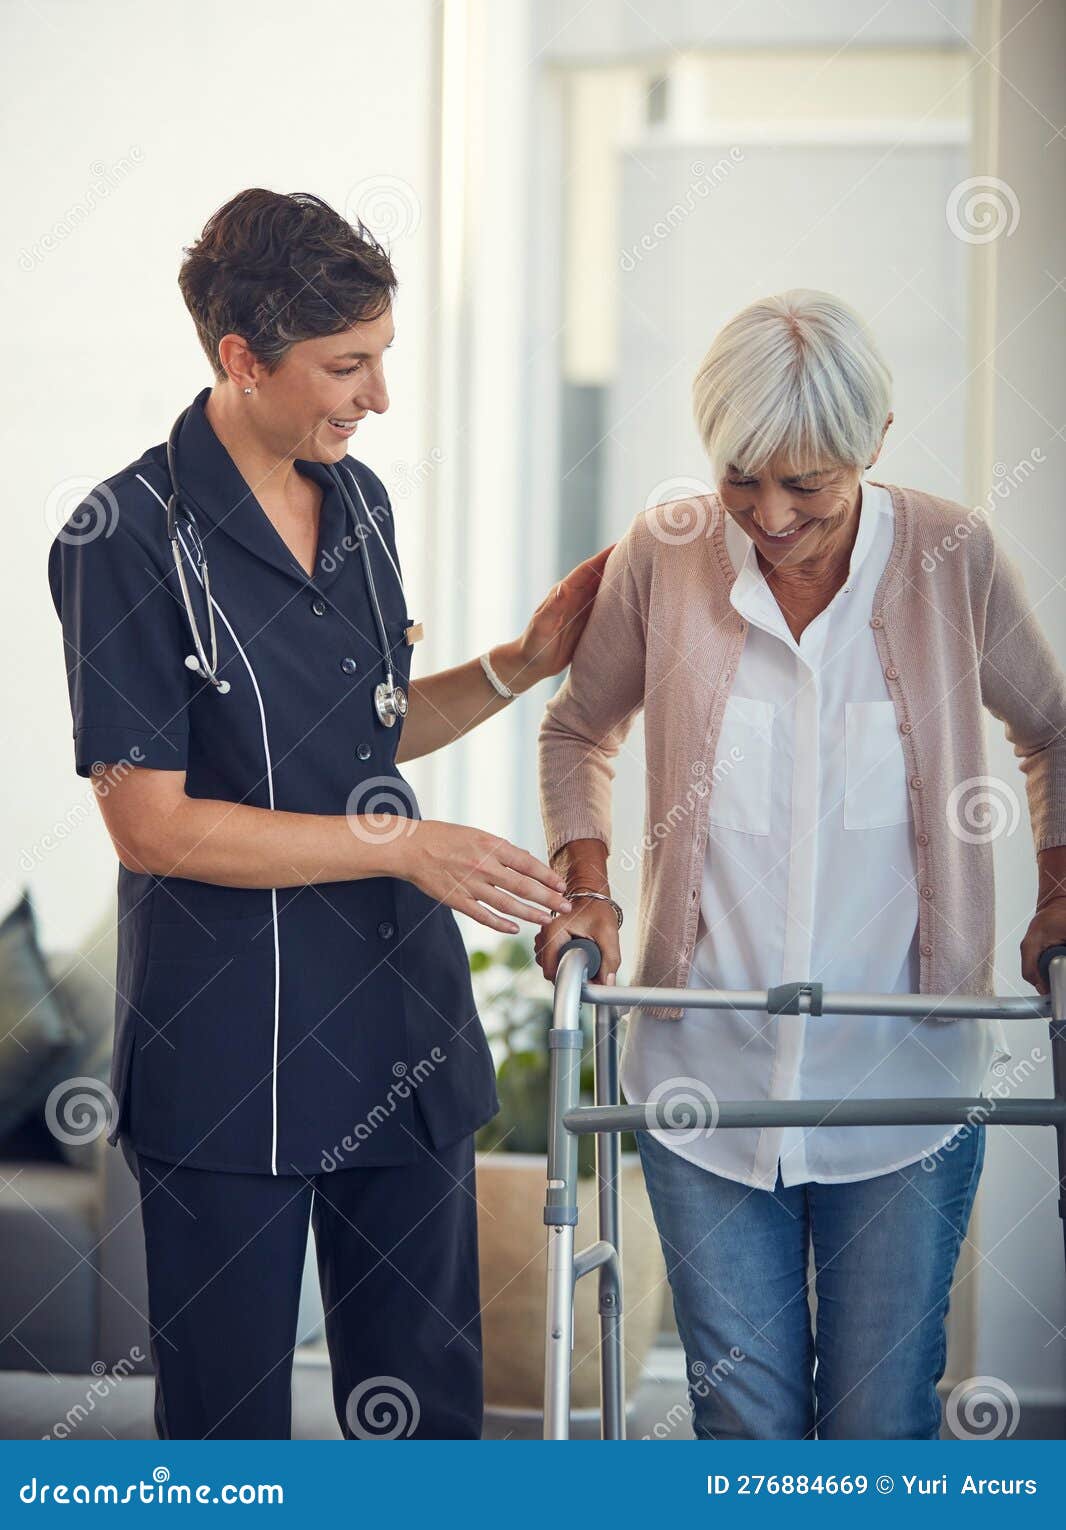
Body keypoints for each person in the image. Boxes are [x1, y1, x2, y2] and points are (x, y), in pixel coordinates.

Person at [48, 187, 606, 1440]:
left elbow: (361, 730)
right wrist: (401, 841)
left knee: (425, 1426)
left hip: (398, 1030)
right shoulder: (124, 535)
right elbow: (152, 822)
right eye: (346, 365)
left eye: (383, 359)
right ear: (241, 357)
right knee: (234, 1432)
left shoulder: (357, 502)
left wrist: (518, 663)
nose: (377, 399)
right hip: (227, 1050)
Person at [536, 288, 1066, 1440]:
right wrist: (588, 888)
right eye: (741, 477)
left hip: (903, 1079)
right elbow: (578, 728)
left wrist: (1058, 895)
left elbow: (1053, 729)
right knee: (744, 1429)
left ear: (873, 447)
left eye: (806, 484)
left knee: (879, 1425)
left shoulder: (951, 554)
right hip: (703, 1072)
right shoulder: (666, 552)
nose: (768, 515)